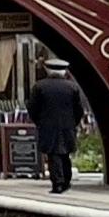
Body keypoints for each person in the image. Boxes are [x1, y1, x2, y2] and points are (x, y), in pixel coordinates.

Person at [27, 58, 86, 194]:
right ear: (64, 71)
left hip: (47, 125)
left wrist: (39, 121)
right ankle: (66, 180)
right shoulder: (73, 87)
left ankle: (58, 183)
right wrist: (73, 123)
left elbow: (32, 107)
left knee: (53, 154)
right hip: (67, 126)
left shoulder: (39, 86)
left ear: (47, 70)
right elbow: (79, 109)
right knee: (65, 154)